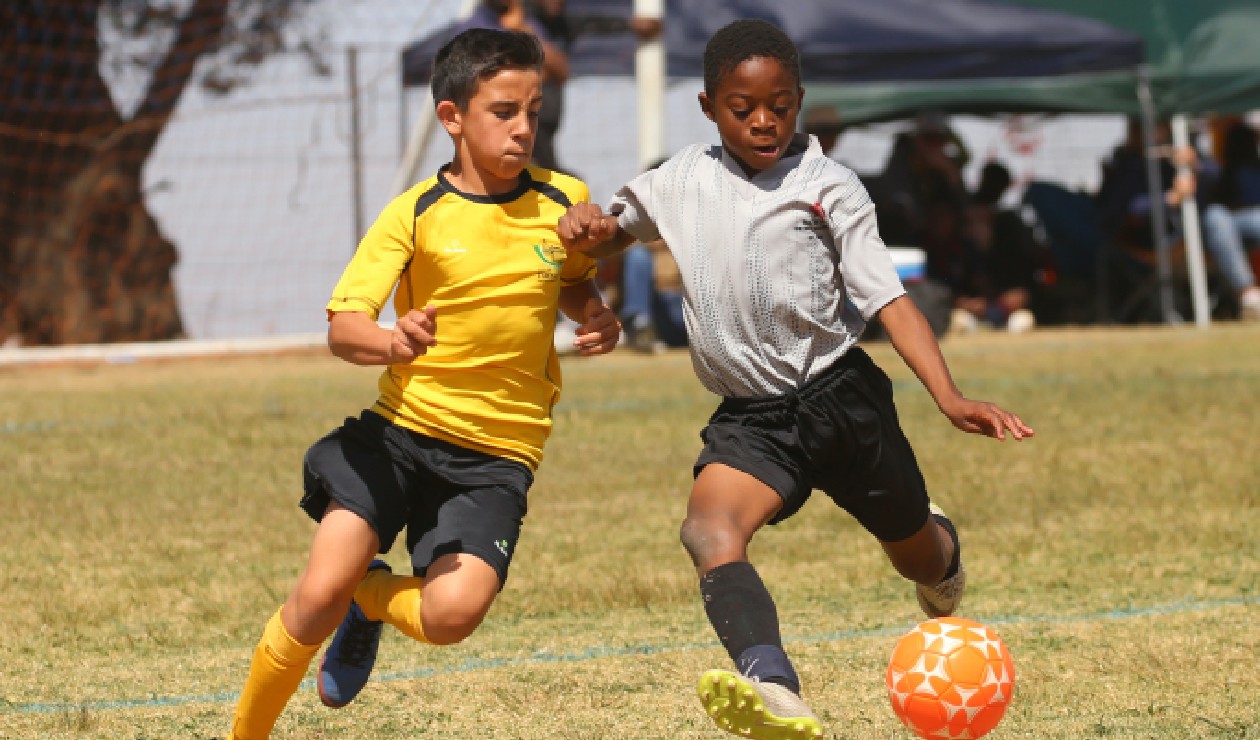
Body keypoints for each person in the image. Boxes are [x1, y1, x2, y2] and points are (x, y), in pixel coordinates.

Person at [557, 19, 1034, 739]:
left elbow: (889, 301)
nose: (764, 120)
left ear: (800, 99)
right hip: (752, 420)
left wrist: (950, 395)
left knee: (919, 556)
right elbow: (609, 234)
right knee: (707, 529)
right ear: (710, 107)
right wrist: (586, 228)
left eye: (780, 104)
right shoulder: (677, 179)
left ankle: (942, 545)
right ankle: (774, 687)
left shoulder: (829, 186)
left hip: (842, 401)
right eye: (743, 107)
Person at [226, 28, 620, 739]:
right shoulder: (414, 213)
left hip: (497, 458)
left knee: (450, 617)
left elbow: (571, 283)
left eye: (534, 109)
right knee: (314, 595)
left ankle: (371, 599)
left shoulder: (565, 201)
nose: (525, 127)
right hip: (400, 435)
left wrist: (594, 311)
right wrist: (392, 340)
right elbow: (345, 327)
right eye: (504, 111)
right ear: (452, 118)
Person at [1200, 118, 1260, 321]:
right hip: (1220, 229)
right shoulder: (1214, 169)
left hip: (1250, 224)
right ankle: (1248, 294)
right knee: (1217, 218)